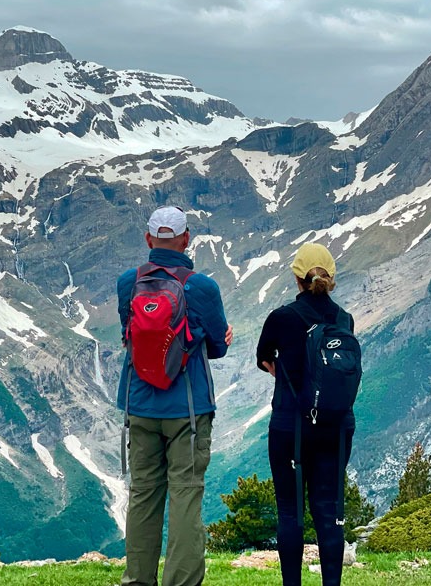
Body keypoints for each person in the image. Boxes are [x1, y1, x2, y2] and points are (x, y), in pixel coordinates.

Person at [117, 205, 233, 586]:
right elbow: (216, 346)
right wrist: (219, 337)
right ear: (186, 239)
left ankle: (138, 580)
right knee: (185, 495)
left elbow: (131, 338)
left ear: (149, 239)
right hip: (187, 408)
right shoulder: (201, 287)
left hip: (140, 405)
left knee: (144, 495)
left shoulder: (127, 284)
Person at [255, 242, 356, 586]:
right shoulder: (344, 319)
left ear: (297, 277)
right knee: (328, 512)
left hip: (290, 426)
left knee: (290, 512)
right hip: (336, 427)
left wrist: (290, 378)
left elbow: (265, 359)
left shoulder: (282, 318)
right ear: (331, 277)